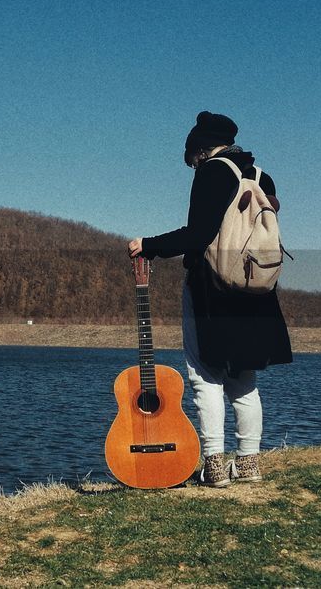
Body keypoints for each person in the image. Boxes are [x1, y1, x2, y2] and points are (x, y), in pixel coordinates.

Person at [128, 111, 292, 488]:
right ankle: (249, 463)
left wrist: (148, 245)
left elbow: (198, 234)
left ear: (198, 149)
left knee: (205, 377)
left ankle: (215, 464)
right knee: (244, 379)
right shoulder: (259, 175)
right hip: (257, 290)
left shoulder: (212, 172)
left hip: (212, 288)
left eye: (191, 158)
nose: (191, 165)